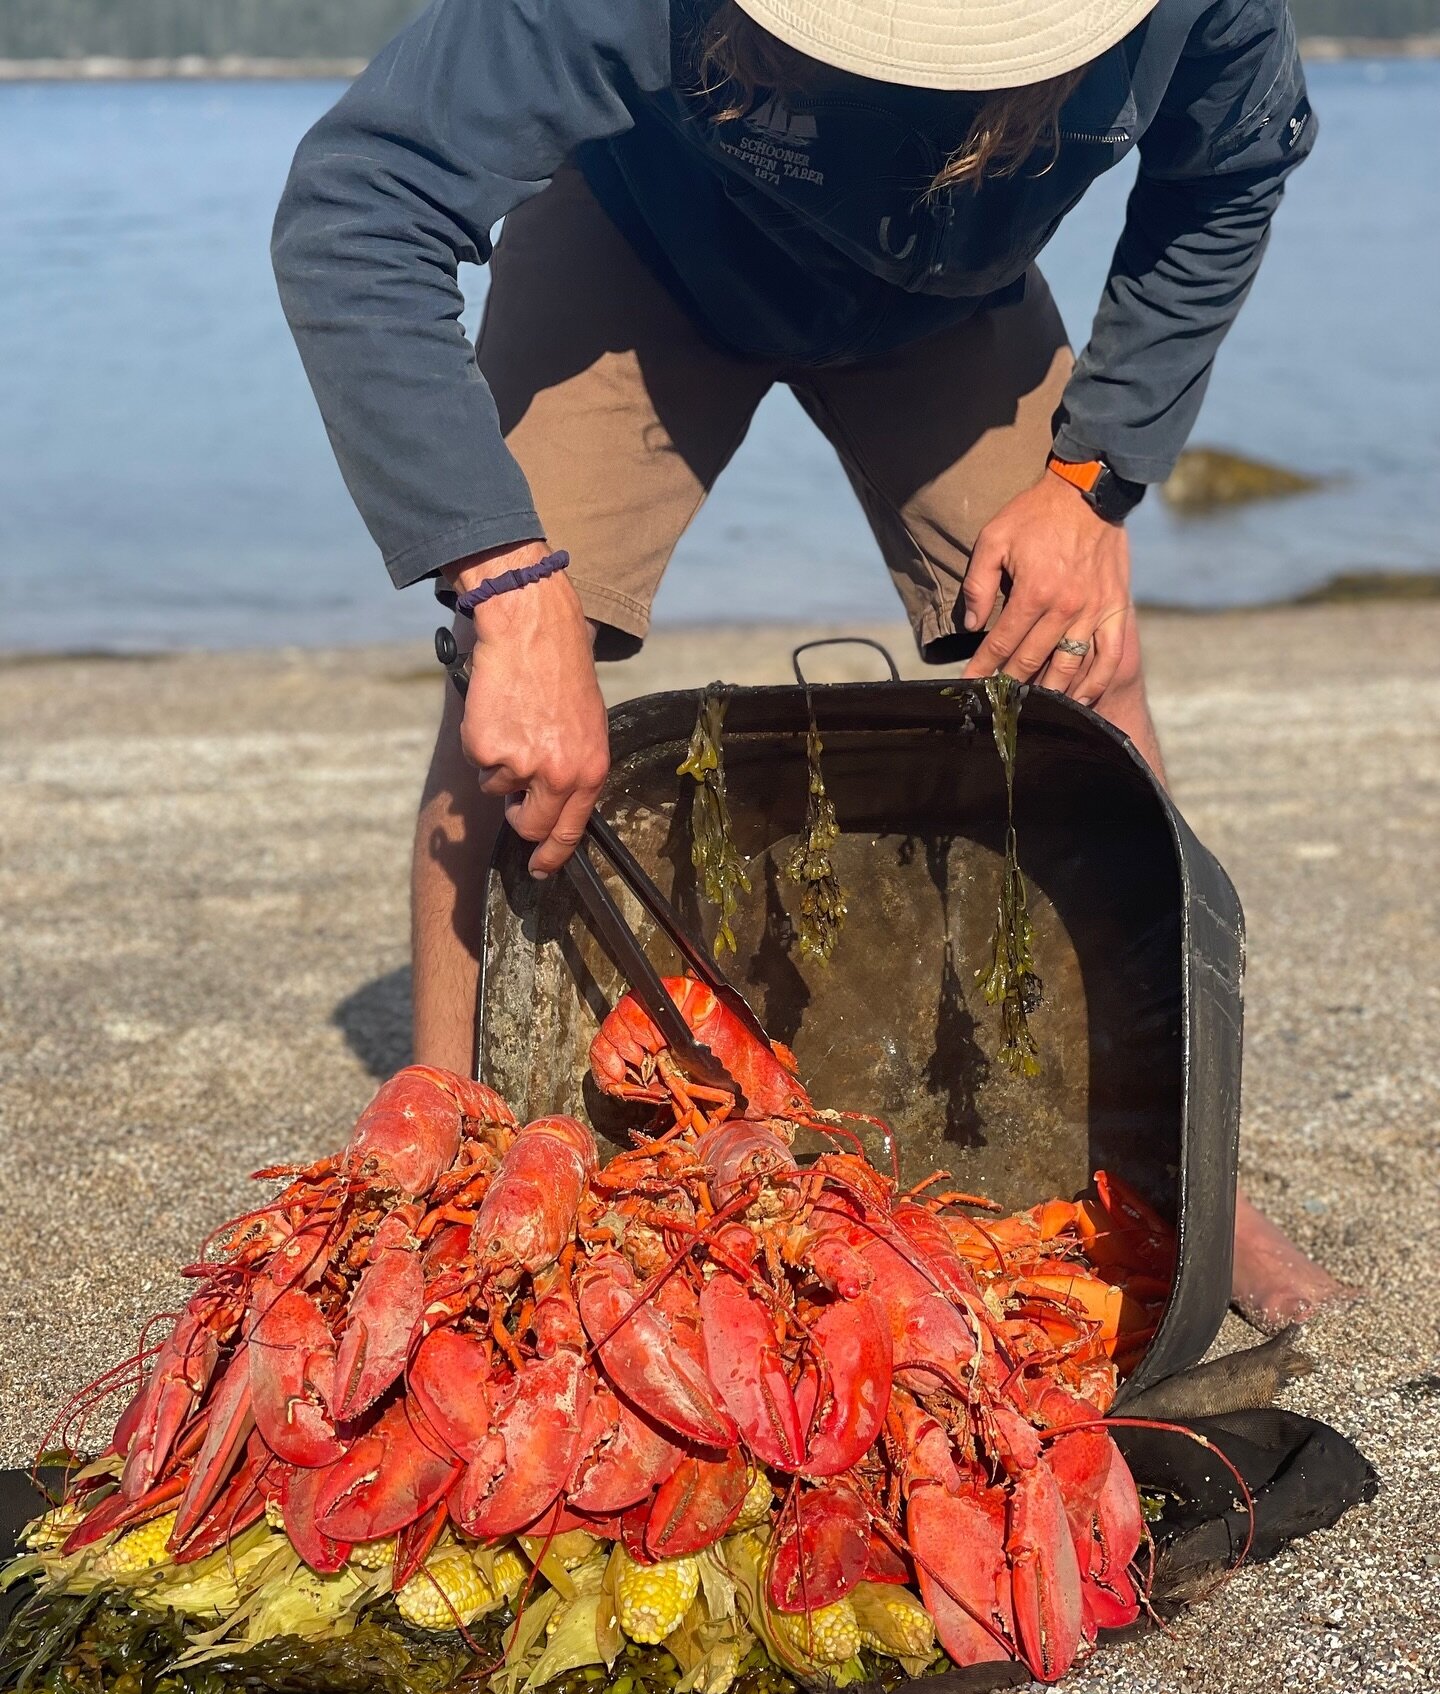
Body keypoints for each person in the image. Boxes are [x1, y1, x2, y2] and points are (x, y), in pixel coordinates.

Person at [272, 0, 1351, 1328]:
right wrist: (506, 582)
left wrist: (1093, 476)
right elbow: (356, 204)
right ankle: (455, 1154)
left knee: (1077, 652)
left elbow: (1229, 174)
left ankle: (1194, 1179)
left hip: (946, 299)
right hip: (639, 251)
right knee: (507, 705)